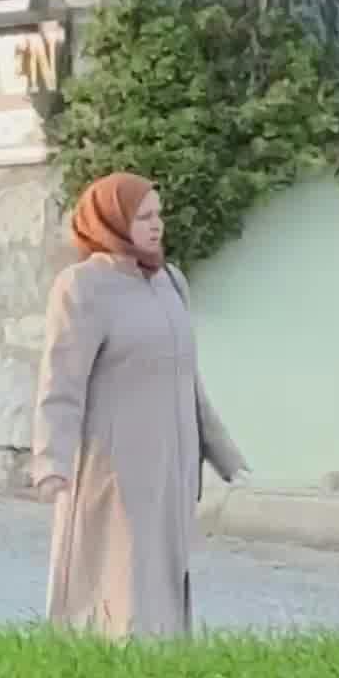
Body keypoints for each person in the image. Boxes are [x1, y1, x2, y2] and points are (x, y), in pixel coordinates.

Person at [31, 170, 245, 640]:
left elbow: (188, 382)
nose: (157, 225)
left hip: (172, 467)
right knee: (117, 579)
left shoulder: (170, 282)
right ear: (112, 221)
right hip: (115, 469)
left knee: (163, 579)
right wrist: (52, 462)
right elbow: (60, 383)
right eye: (143, 216)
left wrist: (225, 456)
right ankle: (101, 672)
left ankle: (161, 673)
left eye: (158, 215)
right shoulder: (81, 287)